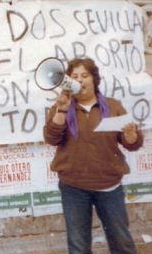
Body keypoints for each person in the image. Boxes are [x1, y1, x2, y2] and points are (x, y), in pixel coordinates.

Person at [43, 57, 143, 254]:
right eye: (74, 76)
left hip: (110, 186)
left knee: (121, 242)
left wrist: (131, 137)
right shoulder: (61, 107)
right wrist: (61, 110)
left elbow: (132, 144)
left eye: (85, 76)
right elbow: (51, 138)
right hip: (73, 188)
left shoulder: (113, 106)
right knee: (78, 246)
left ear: (94, 79)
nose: (80, 80)